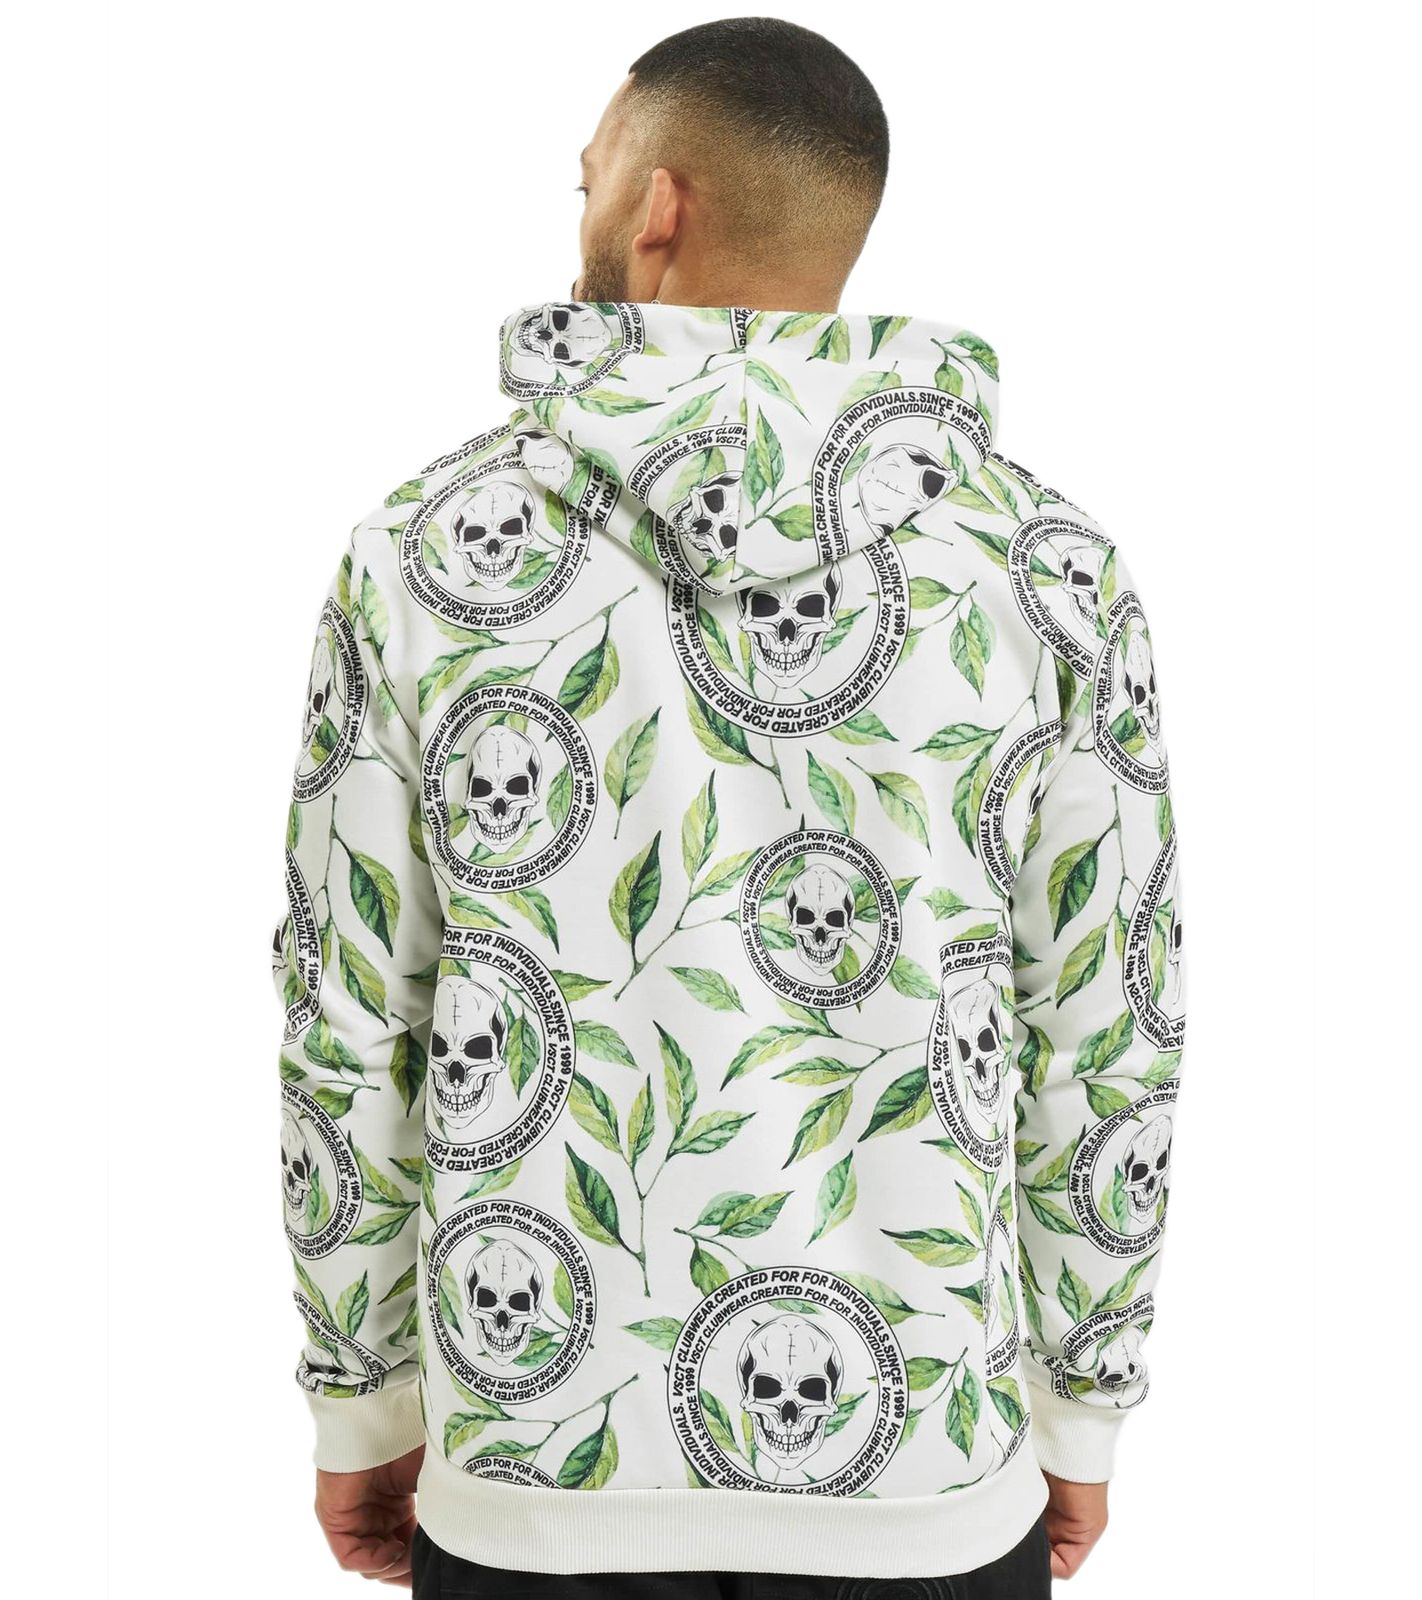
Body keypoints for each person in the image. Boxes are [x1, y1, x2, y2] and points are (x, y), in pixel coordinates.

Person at [271, 17, 1186, 1597]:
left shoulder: (417, 554)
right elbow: (1113, 1028)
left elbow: (348, 1013)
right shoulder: (1046, 570)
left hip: (535, 1485)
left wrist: (364, 1400)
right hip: (926, 1480)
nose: (578, 212)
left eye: (586, 179)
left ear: (658, 208)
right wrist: (1079, 1411)